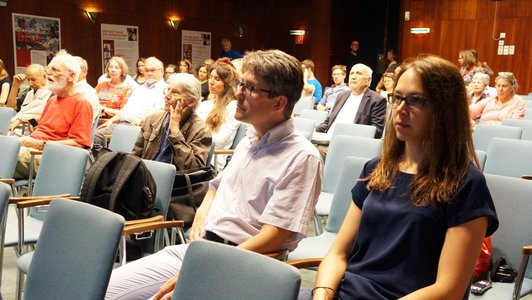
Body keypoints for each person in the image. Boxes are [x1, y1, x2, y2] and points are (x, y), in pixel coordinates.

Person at [105, 49, 323, 300]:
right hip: (201, 249)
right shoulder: (250, 141)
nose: (238, 94)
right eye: (241, 84)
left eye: (250, 88)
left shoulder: (301, 156)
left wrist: (207, 268)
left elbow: (275, 236)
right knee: (103, 289)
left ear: (279, 102)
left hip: (244, 263)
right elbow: (216, 187)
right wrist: (201, 215)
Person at [303, 55, 498, 300]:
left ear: (445, 109)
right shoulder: (376, 169)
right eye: (397, 98)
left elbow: (449, 289)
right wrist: (322, 295)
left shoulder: (466, 183)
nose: (400, 109)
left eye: (416, 100)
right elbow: (338, 255)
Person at [13, 50, 93, 179]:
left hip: (51, 158)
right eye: (48, 68)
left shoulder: (81, 103)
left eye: (55, 69)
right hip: (32, 151)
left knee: (4, 155)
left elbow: (79, 145)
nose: (48, 73)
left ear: (71, 76)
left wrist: (41, 144)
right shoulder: (52, 100)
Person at [132, 73, 212, 170]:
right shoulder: (152, 118)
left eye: (175, 92)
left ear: (191, 101)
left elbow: (194, 169)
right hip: (147, 177)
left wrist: (175, 132)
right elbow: (135, 156)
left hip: (177, 182)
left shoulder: (201, 130)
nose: (167, 96)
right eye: (167, 90)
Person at [93, 57, 167, 153]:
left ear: (161, 71)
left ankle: (112, 162)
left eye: (152, 70)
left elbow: (158, 113)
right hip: (122, 124)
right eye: (146, 70)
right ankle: (110, 163)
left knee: (99, 140)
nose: (149, 73)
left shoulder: (164, 89)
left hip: (142, 128)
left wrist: (141, 120)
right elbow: (126, 110)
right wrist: (112, 120)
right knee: (94, 137)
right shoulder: (140, 88)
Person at [316, 63, 386, 139]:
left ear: (368, 81)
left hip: (350, 143)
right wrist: (314, 130)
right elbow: (328, 122)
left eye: (358, 73)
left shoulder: (377, 100)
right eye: (351, 73)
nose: (353, 77)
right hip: (326, 139)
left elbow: (376, 131)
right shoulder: (342, 95)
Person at [196, 58, 241, 171]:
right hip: (196, 153)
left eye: (217, 79)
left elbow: (221, 141)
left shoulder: (233, 107)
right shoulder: (205, 105)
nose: (211, 82)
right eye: (210, 77)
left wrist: (196, 136)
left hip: (212, 161)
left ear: (226, 84)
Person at [7, 64, 53, 132]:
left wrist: (22, 119)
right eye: (28, 80)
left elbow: (50, 117)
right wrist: (15, 86)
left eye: (33, 80)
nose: (30, 83)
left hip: (31, 128)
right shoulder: (29, 92)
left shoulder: (52, 94)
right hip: (14, 126)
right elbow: (10, 107)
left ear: (45, 76)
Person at [74, 56, 100, 123]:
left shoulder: (88, 93)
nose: (71, 73)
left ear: (85, 72)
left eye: (74, 70)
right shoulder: (63, 90)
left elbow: (82, 122)